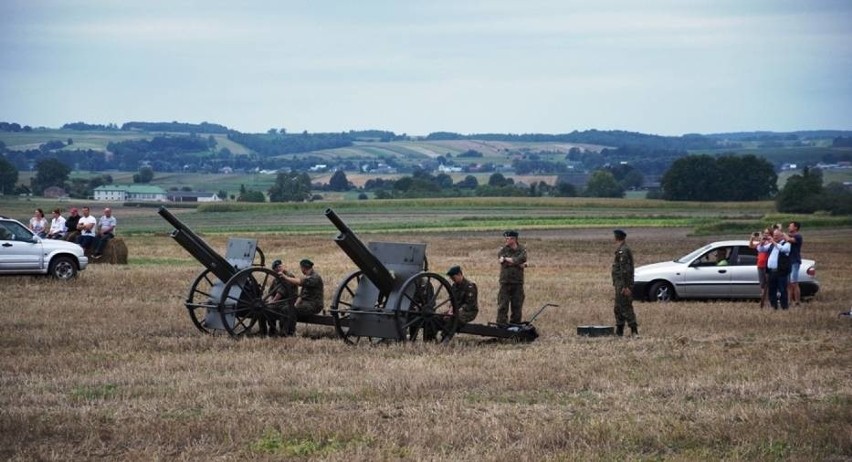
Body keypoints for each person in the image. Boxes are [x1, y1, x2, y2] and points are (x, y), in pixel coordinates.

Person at [279, 259, 325, 330]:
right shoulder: (308, 277)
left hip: (314, 305)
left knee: (290, 310)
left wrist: (286, 278)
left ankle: (289, 332)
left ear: (303, 268)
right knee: (286, 308)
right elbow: (301, 295)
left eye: (301, 268)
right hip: (306, 303)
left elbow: (299, 282)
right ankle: (283, 330)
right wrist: (295, 305)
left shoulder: (315, 277)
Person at [496, 230, 527, 325]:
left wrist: (512, 261)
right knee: (502, 305)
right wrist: (518, 263)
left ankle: (515, 325)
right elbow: (503, 261)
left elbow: (522, 259)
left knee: (517, 305)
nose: (507, 240)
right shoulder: (503, 250)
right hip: (505, 281)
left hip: (517, 282)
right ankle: (501, 325)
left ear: (514, 239)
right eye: (506, 238)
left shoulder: (522, 249)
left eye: (509, 238)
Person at [612, 229, 638, 337]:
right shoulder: (621, 249)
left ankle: (634, 331)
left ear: (617, 237)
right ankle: (619, 330)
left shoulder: (624, 251)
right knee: (618, 307)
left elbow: (625, 270)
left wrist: (626, 286)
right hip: (620, 284)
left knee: (626, 307)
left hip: (623, 285)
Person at [757, 228, 791, 310]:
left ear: (781, 236)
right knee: (772, 290)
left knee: (782, 290)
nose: (774, 237)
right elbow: (760, 249)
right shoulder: (771, 245)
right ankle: (774, 306)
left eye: (776, 235)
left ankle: (784, 307)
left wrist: (773, 242)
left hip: (781, 272)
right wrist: (761, 243)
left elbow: (784, 250)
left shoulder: (786, 244)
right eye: (774, 235)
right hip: (771, 272)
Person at [263, 259, 298, 336]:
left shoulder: (288, 276)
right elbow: (271, 292)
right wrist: (270, 300)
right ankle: (272, 329)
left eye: (280, 266)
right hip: (279, 302)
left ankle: (285, 331)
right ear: (274, 270)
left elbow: (281, 292)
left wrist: (273, 301)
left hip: (288, 301)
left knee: (285, 310)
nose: (279, 269)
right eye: (277, 268)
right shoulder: (276, 278)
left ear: (282, 266)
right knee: (267, 309)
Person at [749, 228, 772, 308]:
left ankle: (768, 301)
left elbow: (763, 248)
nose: (766, 235)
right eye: (764, 233)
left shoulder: (771, 243)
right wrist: (752, 238)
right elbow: (751, 246)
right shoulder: (760, 243)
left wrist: (764, 241)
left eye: (768, 233)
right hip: (760, 265)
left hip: (767, 265)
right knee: (762, 284)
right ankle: (764, 301)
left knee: (768, 285)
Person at [785, 221, 803, 306]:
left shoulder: (798, 236)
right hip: (789, 262)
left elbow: (789, 240)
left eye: (790, 226)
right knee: (789, 283)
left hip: (795, 261)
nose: (789, 227)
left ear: (795, 228)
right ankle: (789, 301)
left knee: (794, 283)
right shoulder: (790, 235)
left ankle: (797, 302)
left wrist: (782, 233)